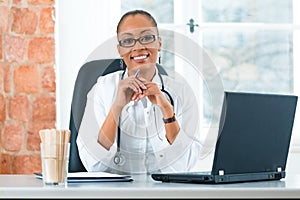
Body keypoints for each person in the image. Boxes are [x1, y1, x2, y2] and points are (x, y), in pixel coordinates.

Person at [77, 9, 202, 174]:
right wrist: (116, 107)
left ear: (159, 43)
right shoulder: (103, 87)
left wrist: (166, 110)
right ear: (120, 50)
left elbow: (185, 165)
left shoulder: (181, 91)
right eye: (128, 40)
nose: (138, 46)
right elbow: (92, 164)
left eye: (147, 38)